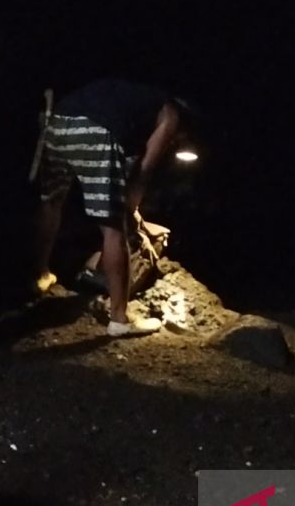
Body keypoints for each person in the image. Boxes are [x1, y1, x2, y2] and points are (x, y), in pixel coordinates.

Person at [31, 77, 193, 337]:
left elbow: (130, 161)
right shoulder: (170, 113)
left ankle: (40, 275)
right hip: (95, 129)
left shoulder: (136, 99)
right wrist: (131, 209)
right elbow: (145, 168)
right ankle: (119, 319)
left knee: (51, 202)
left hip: (57, 121)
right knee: (113, 226)